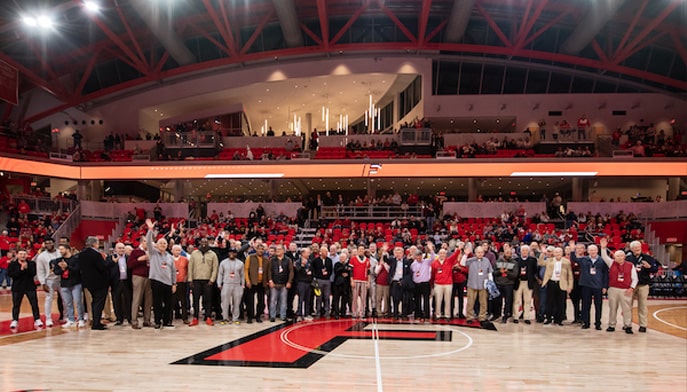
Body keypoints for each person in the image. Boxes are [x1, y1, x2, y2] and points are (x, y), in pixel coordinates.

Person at [600, 238, 638, 334]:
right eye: (617, 256)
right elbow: (604, 257)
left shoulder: (630, 265)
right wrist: (603, 248)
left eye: (621, 256)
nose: (620, 258)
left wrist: (631, 288)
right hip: (613, 289)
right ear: (614, 257)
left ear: (624, 256)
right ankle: (611, 325)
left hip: (626, 289)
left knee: (627, 309)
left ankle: (628, 325)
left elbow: (635, 278)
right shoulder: (611, 263)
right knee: (613, 308)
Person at [145, 219, 177, 329]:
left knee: (168, 304)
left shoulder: (170, 256)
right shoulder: (153, 253)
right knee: (157, 303)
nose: (163, 244)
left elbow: (173, 270)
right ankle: (157, 322)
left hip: (168, 282)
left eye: (164, 243)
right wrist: (150, 230)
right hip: (156, 281)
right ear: (157, 245)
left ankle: (167, 321)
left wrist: (174, 283)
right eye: (160, 243)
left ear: (167, 245)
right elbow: (148, 242)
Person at [569, 241, 608, 330]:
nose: (593, 251)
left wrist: (605, 286)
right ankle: (586, 322)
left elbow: (605, 274)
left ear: (597, 251)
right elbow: (574, 259)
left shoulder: (602, 261)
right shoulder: (584, 259)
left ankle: (598, 323)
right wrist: (572, 250)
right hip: (586, 285)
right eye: (591, 250)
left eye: (594, 250)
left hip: (598, 286)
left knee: (598, 305)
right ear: (588, 251)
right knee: (586, 305)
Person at [625, 240, 659, 333]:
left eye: (638, 248)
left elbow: (655, 269)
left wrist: (649, 267)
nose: (637, 249)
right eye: (635, 248)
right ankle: (627, 324)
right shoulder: (628, 259)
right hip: (630, 285)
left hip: (643, 284)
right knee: (627, 306)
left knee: (642, 305)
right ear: (631, 249)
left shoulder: (648, 258)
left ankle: (643, 325)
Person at [78, 236, 110, 330]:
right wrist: (111, 261)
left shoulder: (81, 254)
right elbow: (102, 267)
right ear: (95, 244)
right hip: (99, 282)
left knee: (94, 302)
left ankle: (95, 321)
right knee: (98, 302)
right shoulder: (96, 254)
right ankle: (96, 323)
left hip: (87, 282)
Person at [52, 244, 85, 328]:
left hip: (76, 283)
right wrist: (62, 269)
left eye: (62, 249)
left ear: (67, 249)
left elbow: (77, 270)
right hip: (64, 284)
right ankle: (71, 319)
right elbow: (56, 271)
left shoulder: (76, 259)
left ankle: (81, 319)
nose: (60, 251)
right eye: (59, 250)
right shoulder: (58, 260)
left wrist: (67, 267)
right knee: (68, 303)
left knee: (78, 302)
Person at [8, 249, 42, 330]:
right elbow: (11, 274)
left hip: (29, 287)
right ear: (17, 255)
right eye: (20, 254)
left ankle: (37, 319)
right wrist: (21, 270)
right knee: (16, 305)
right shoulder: (13, 264)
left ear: (27, 255)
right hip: (17, 288)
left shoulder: (31, 263)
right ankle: (15, 320)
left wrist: (27, 268)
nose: (22, 255)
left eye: (24, 254)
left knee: (34, 304)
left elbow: (33, 273)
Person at [188, 237, 219, 326]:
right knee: (195, 300)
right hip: (196, 280)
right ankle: (195, 318)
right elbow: (190, 267)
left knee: (208, 300)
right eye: (202, 242)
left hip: (207, 281)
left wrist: (212, 280)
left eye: (206, 242)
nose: (204, 243)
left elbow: (215, 268)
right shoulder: (194, 253)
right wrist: (190, 279)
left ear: (208, 243)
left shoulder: (213, 254)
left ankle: (208, 317)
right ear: (200, 243)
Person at [461, 244, 493, 326]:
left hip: (483, 285)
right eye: (478, 252)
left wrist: (490, 282)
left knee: (483, 302)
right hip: (472, 284)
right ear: (475, 253)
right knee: (470, 302)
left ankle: (482, 317)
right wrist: (466, 254)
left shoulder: (486, 260)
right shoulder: (471, 260)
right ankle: (469, 317)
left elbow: (489, 272)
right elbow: (462, 263)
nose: (480, 254)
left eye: (481, 252)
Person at [540, 247, 573, 326]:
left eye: (559, 252)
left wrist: (570, 286)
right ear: (553, 253)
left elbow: (570, 275)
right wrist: (543, 253)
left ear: (562, 253)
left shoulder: (566, 262)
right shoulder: (549, 260)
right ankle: (548, 318)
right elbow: (540, 262)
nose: (558, 254)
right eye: (556, 252)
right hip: (551, 282)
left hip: (562, 283)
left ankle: (558, 320)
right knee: (549, 302)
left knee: (560, 303)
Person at [35, 237, 63, 327]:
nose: (48, 245)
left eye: (50, 243)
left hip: (61, 278)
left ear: (53, 243)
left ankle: (66, 316)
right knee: (49, 299)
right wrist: (42, 283)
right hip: (49, 280)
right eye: (46, 243)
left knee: (66, 299)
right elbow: (40, 270)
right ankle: (48, 319)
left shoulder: (60, 252)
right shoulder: (41, 256)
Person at [128, 236, 153, 329]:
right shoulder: (135, 252)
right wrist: (139, 260)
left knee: (149, 300)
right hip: (138, 276)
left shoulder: (151, 252)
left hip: (149, 276)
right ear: (142, 242)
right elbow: (130, 265)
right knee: (137, 298)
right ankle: (134, 321)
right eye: (146, 241)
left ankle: (147, 320)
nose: (148, 243)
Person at [217, 248, 245, 325]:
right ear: (228, 253)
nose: (232, 254)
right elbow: (220, 274)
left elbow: (242, 275)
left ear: (236, 254)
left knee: (236, 302)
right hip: (226, 284)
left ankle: (235, 318)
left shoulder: (240, 263)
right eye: (230, 252)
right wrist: (219, 283)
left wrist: (243, 284)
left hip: (237, 284)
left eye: (234, 252)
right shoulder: (223, 262)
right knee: (225, 302)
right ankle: (225, 318)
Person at [266, 244, 293, 322]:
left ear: (283, 251)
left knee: (283, 301)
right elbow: (269, 271)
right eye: (276, 249)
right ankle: (272, 316)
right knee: (272, 301)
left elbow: (291, 271)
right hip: (274, 284)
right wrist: (270, 281)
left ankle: (283, 316)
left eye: (279, 249)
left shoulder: (288, 260)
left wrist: (289, 282)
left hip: (284, 284)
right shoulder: (272, 260)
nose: (277, 251)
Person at [512, 244, 537, 324]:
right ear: (520, 251)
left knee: (528, 301)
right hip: (518, 282)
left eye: (526, 250)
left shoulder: (533, 260)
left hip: (528, 282)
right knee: (516, 300)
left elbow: (535, 271)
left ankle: (526, 317)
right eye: (523, 250)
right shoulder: (516, 260)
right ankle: (516, 316)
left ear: (528, 251)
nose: (525, 252)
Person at [244, 243, 268, 323]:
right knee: (250, 301)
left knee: (261, 301)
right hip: (251, 282)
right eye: (259, 249)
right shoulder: (250, 257)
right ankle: (250, 316)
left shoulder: (266, 259)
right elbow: (246, 270)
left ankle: (258, 316)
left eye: (262, 249)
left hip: (262, 282)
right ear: (256, 249)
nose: (260, 251)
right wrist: (247, 280)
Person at [494, 244, 518, 323]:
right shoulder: (498, 261)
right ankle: (497, 315)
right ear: (504, 253)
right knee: (498, 301)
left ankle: (505, 316)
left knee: (508, 301)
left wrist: (507, 272)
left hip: (509, 285)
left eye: (510, 253)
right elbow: (494, 272)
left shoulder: (514, 263)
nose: (508, 255)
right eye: (507, 253)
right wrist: (499, 272)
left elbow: (515, 275)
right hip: (499, 283)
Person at [109, 242, 132, 326]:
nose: (121, 250)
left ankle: (130, 318)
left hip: (126, 282)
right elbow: (108, 271)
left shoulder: (128, 258)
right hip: (116, 282)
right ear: (115, 249)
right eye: (119, 248)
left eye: (123, 248)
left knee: (128, 300)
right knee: (116, 301)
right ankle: (119, 319)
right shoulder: (110, 258)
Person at [411, 247, 433, 321]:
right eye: (417, 256)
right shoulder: (413, 264)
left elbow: (433, 258)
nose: (419, 257)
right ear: (415, 256)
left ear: (422, 256)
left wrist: (431, 250)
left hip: (425, 283)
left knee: (426, 300)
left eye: (420, 255)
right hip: (416, 284)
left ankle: (426, 315)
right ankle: (418, 314)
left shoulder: (426, 261)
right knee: (417, 300)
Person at [431, 248, 453, 320]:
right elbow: (433, 274)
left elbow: (455, 255)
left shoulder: (449, 261)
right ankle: (438, 315)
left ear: (446, 255)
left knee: (448, 300)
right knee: (438, 300)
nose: (442, 255)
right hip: (438, 284)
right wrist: (432, 284)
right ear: (438, 254)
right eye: (441, 253)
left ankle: (447, 315)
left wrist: (459, 249)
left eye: (444, 253)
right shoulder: (434, 263)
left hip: (448, 284)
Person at [312, 246, 333, 318]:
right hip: (319, 280)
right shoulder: (315, 261)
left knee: (327, 297)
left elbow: (330, 270)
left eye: (327, 252)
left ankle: (327, 312)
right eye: (325, 252)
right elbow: (313, 270)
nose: (327, 253)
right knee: (319, 297)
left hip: (327, 280)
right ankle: (318, 312)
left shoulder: (329, 260)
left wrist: (327, 274)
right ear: (321, 252)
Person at [171, 244, 190, 324]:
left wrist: (186, 277)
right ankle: (171, 317)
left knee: (183, 301)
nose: (177, 252)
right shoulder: (169, 259)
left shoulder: (185, 259)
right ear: (172, 251)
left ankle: (185, 317)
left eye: (179, 250)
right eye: (176, 250)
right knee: (172, 301)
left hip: (182, 282)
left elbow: (188, 269)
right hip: (172, 282)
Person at [294, 248, 314, 321]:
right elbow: (297, 271)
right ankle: (299, 314)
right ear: (302, 253)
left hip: (308, 282)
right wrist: (302, 265)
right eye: (307, 253)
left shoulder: (310, 261)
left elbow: (312, 271)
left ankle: (307, 313)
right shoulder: (297, 262)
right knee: (301, 298)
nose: (309, 254)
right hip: (301, 282)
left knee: (308, 299)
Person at [350, 247, 370, 319]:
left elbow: (368, 272)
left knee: (363, 298)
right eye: (359, 250)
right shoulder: (353, 259)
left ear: (364, 251)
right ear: (357, 251)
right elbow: (351, 271)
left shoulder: (367, 260)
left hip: (364, 280)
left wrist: (368, 282)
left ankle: (362, 313)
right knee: (354, 297)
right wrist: (351, 280)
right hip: (355, 280)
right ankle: (354, 313)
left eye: (362, 249)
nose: (361, 251)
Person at [332, 250, 352, 319]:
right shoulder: (336, 264)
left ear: (346, 258)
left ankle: (343, 312)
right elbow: (337, 271)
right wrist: (344, 270)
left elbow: (350, 273)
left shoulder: (349, 264)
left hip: (345, 285)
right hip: (337, 285)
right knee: (336, 299)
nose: (342, 259)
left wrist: (345, 271)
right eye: (341, 258)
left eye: (343, 258)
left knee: (344, 299)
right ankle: (336, 313)